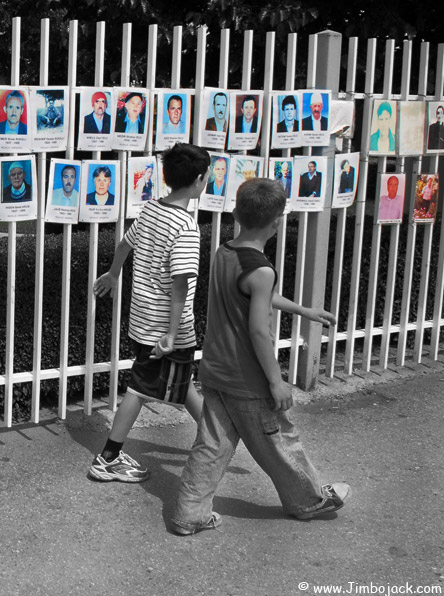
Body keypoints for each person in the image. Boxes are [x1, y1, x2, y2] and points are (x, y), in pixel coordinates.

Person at [169, 178, 347, 535]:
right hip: (247, 379)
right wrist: (276, 381)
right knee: (281, 441)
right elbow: (259, 329)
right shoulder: (262, 270)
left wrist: (302, 310)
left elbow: (252, 296)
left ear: (236, 213)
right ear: (277, 222)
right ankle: (309, 501)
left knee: (212, 445)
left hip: (215, 371)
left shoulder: (225, 251)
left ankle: (189, 513)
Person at [87, 143, 211, 483]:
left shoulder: (150, 210)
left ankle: (216, 440)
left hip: (142, 320)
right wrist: (172, 334)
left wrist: (114, 273)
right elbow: (180, 284)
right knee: (141, 389)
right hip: (166, 328)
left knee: (180, 381)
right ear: (199, 180)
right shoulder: (186, 227)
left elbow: (126, 243)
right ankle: (108, 458)